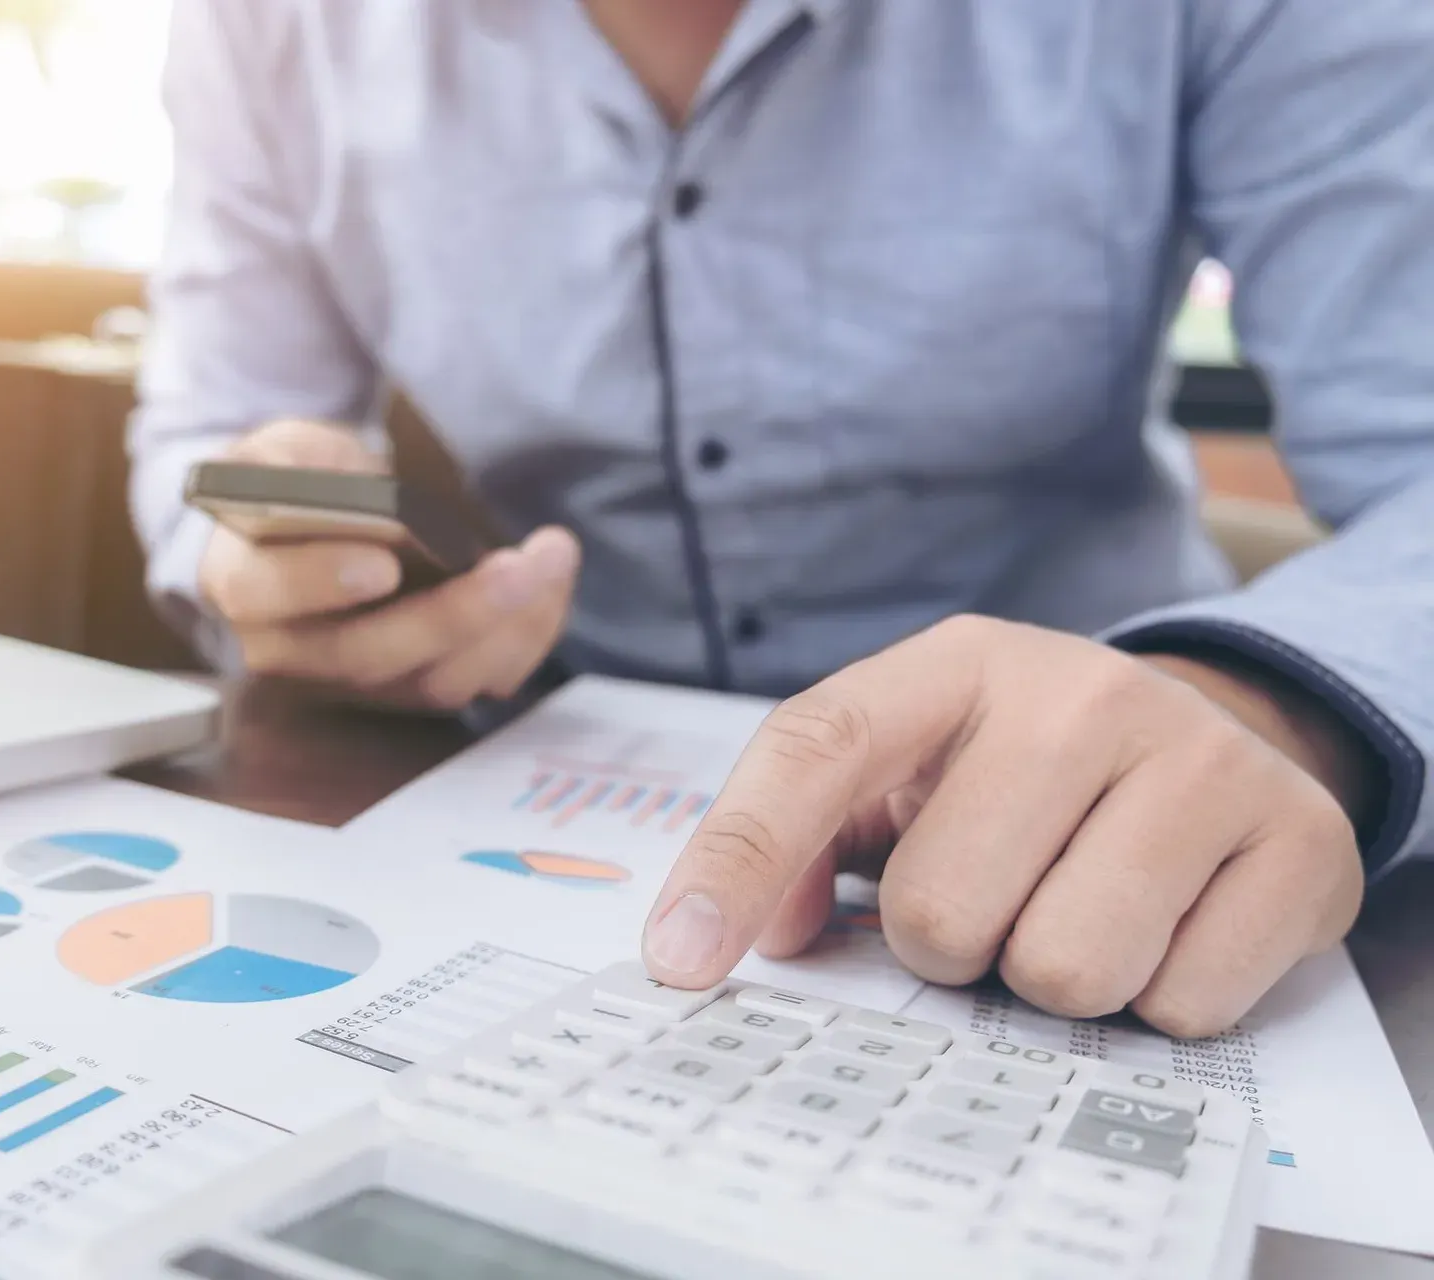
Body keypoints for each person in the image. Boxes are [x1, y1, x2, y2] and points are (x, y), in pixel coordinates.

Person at [130, 0, 1434, 1037]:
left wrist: (1271, 704)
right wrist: (261, 565)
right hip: (523, 788)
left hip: (1104, 828)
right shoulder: (266, 24)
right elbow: (211, 425)